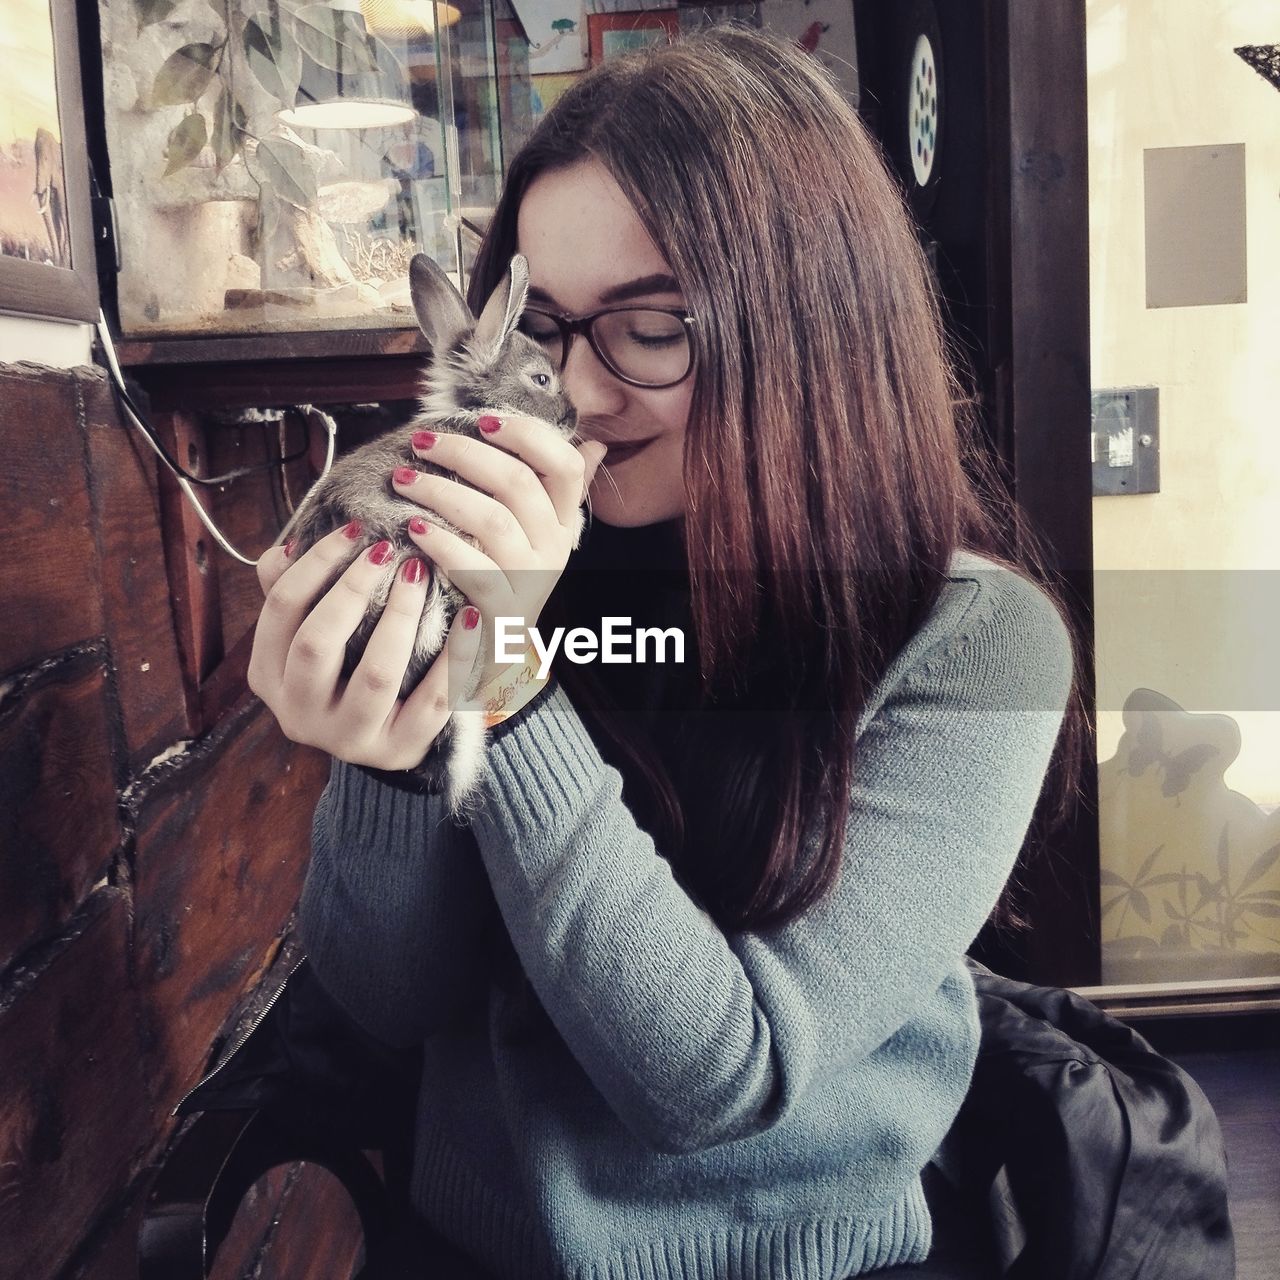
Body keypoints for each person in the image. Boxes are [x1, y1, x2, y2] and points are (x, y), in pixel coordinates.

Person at [247, 27, 1083, 1280]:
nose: (573, 392)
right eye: (541, 327)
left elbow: (715, 1077)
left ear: (810, 329)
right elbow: (386, 1002)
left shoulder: (972, 642)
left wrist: (502, 669)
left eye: (648, 327)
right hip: (465, 1244)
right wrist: (391, 735)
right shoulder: (519, 560)